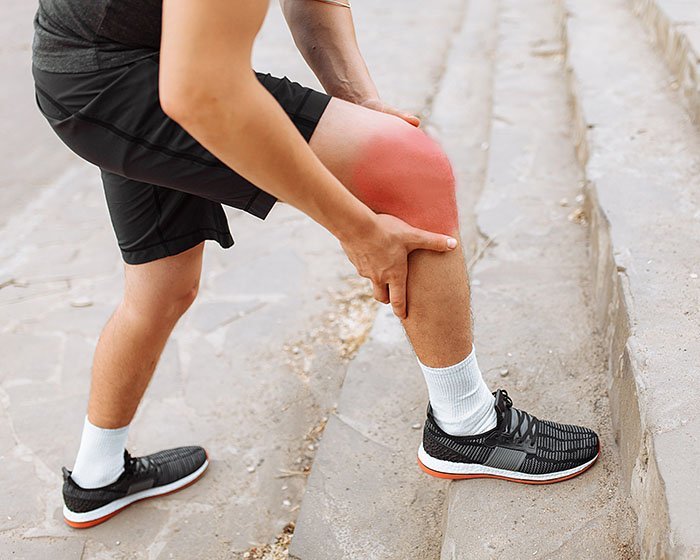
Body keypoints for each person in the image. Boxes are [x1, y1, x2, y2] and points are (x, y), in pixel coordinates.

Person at [31, 0, 600, 529]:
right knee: (412, 167)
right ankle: (467, 425)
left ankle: (96, 478)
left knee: (163, 286)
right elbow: (203, 93)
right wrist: (356, 227)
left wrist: (359, 102)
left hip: (125, 60)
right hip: (121, 76)